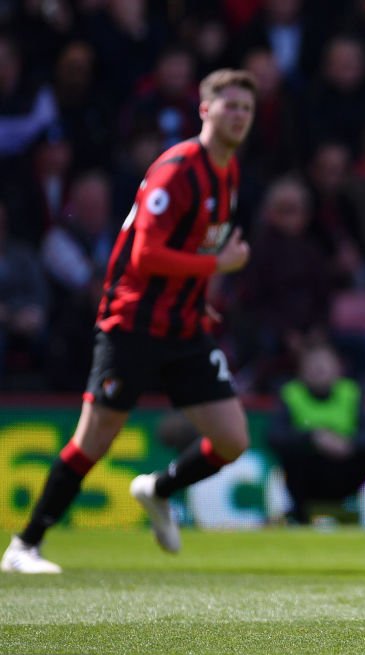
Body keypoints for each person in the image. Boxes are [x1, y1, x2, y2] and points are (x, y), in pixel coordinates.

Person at [1, 69, 256, 574]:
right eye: (229, 105)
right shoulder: (179, 168)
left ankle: (157, 489)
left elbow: (191, 244)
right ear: (204, 110)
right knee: (94, 440)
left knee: (232, 440)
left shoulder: (227, 172)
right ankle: (24, 546)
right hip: (133, 324)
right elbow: (146, 253)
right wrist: (216, 268)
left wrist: (197, 292)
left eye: (246, 108)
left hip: (183, 326)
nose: (239, 116)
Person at [268, 342, 365, 524]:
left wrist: (350, 444)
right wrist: (313, 438)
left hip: (348, 468)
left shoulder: (351, 392)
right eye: (313, 364)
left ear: (338, 368)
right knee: (292, 453)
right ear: (301, 370)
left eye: (324, 364)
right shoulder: (290, 393)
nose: (319, 369)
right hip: (310, 472)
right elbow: (274, 436)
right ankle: (299, 518)